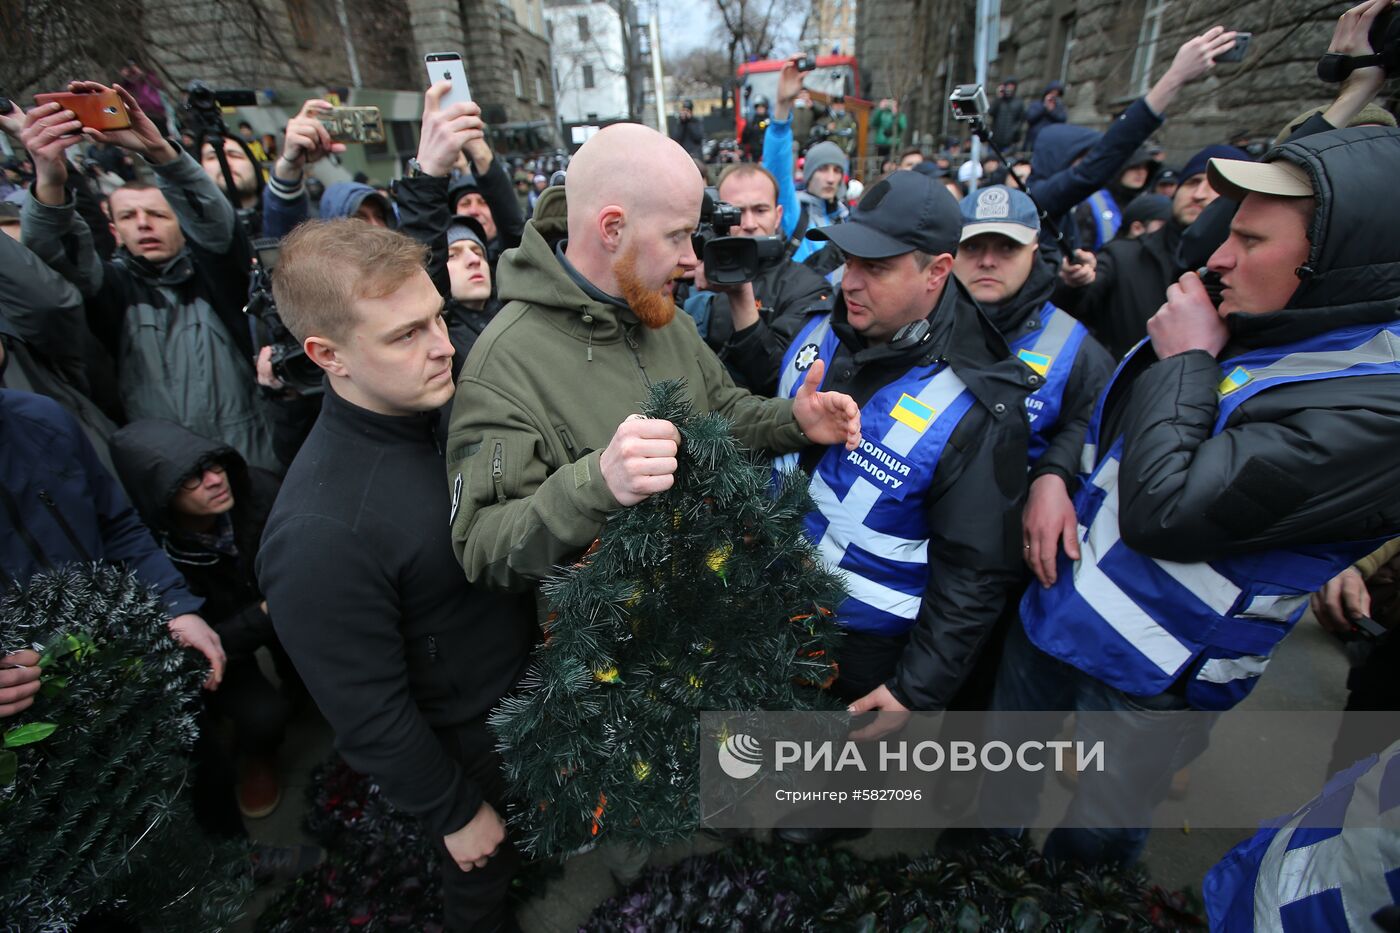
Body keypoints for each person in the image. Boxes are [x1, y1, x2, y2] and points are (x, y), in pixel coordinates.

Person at [983, 125, 1400, 868]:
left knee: (1092, 847)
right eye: (1230, 231)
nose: (1218, 258)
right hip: (1061, 603)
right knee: (995, 798)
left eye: (1251, 239)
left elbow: (1165, 511)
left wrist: (1188, 361)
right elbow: (1121, 423)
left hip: (1153, 673)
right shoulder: (1268, 310)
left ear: (1334, 259)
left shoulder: (1375, 403)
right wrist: (1058, 474)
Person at [445, 119, 860, 609]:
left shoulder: (665, 317)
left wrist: (793, 419)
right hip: (616, 668)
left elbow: (722, 412)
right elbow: (481, 549)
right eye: (677, 236)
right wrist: (597, 483)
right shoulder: (504, 363)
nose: (691, 258)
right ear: (613, 229)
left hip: (716, 625)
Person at [257, 218, 537, 931]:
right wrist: (456, 811)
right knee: (483, 885)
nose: (443, 346)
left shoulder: (436, 409)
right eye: (405, 334)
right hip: (465, 747)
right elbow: (368, 713)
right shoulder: (319, 533)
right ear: (328, 355)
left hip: (522, 697)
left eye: (438, 316)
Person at [767, 171, 1031, 848]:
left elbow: (976, 572)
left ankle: (844, 816)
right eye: (848, 258)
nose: (848, 280)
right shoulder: (828, 325)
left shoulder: (982, 404)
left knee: (852, 761)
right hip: (781, 596)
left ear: (938, 271)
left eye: (876, 267)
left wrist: (918, 687)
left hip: (871, 639)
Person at [19, 81, 281, 474]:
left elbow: (217, 228)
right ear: (113, 229)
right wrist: (51, 180)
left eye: (157, 215)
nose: (144, 225)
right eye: (129, 216)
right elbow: (57, 259)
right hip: (167, 481)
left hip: (254, 469)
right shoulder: (110, 291)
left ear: (181, 219)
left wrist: (160, 152)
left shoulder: (220, 280)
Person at [109, 418, 293, 819]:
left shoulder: (259, 491)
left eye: (215, 464)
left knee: (319, 666)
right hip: (224, 647)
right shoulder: (151, 558)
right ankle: (256, 754)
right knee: (262, 716)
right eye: (191, 478)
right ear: (161, 495)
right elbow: (198, 649)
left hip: (283, 610)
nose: (214, 480)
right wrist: (263, 614)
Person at [1027, 27, 1241, 251]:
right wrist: (1174, 77)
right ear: (1060, 159)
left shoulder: (1063, 211)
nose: (1098, 165)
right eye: (1083, 159)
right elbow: (1102, 160)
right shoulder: (1041, 198)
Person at [1057, 145, 1249, 358]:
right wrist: (1074, 282)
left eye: (1216, 186)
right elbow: (1073, 309)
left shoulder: (1249, 271)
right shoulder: (1122, 256)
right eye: (1192, 182)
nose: (1199, 194)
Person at [681, 162, 835, 393]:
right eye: (737, 213)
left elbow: (778, 380)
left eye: (760, 210)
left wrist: (739, 293)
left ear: (777, 215)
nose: (750, 224)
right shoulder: (690, 268)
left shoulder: (809, 287)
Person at [765, 55, 851, 276]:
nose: (831, 178)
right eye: (823, 169)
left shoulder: (848, 219)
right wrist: (783, 106)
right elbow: (777, 168)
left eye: (837, 170)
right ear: (808, 173)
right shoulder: (795, 213)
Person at [1023, 81, 1065, 151]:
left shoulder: (1059, 108)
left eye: (1056, 94)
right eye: (1052, 93)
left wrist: (1051, 111)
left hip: (1050, 142)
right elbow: (1030, 118)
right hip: (1034, 141)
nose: (1053, 96)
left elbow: (1062, 119)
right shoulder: (1036, 105)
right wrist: (1044, 108)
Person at [988, 79, 1026, 152]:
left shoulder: (1018, 102)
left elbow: (1021, 119)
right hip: (995, 139)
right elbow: (991, 112)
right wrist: (998, 97)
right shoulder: (999, 101)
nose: (1010, 89)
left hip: (1010, 142)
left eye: (1012, 87)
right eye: (1008, 86)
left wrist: (1014, 132)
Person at [741, 96, 770, 162]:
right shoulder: (752, 123)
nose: (760, 109)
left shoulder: (770, 123)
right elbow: (744, 139)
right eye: (758, 107)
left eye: (762, 107)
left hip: (768, 153)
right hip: (755, 155)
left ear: (766, 108)